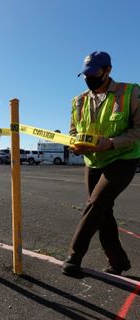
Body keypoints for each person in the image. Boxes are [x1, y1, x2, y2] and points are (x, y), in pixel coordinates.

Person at [62, 51, 140, 276]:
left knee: (95, 204)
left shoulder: (130, 92)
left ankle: (73, 257)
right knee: (103, 213)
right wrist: (74, 145)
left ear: (108, 71)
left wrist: (112, 143)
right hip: (93, 160)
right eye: (85, 74)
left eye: (94, 73)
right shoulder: (79, 101)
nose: (89, 78)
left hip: (122, 158)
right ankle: (118, 262)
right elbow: (73, 132)